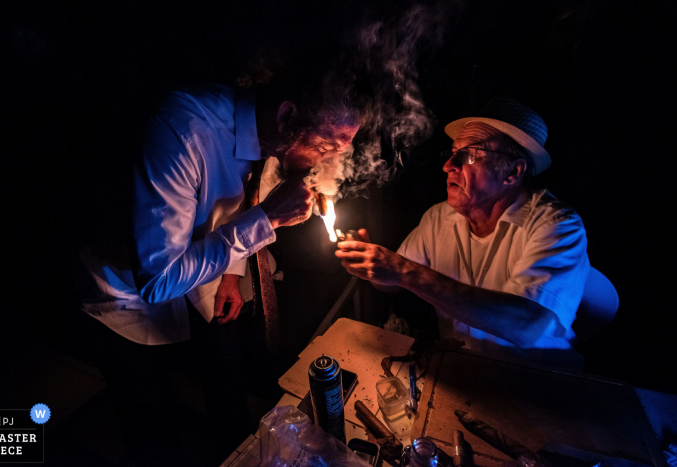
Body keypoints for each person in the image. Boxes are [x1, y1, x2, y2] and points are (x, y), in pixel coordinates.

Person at [75, 57, 361, 466]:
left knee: (229, 392)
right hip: (125, 297)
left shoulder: (271, 137)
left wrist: (232, 271)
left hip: (202, 274)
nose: (331, 159)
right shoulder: (182, 131)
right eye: (328, 145)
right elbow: (157, 281)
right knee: (152, 428)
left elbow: (237, 201)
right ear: (286, 114)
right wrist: (270, 219)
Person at [335, 98, 589, 371]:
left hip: (537, 386)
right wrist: (372, 265)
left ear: (513, 172)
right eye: (452, 153)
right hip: (464, 374)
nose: (448, 166)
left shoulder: (557, 225)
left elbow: (527, 324)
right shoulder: (438, 218)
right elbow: (393, 283)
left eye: (468, 155)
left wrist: (402, 270)